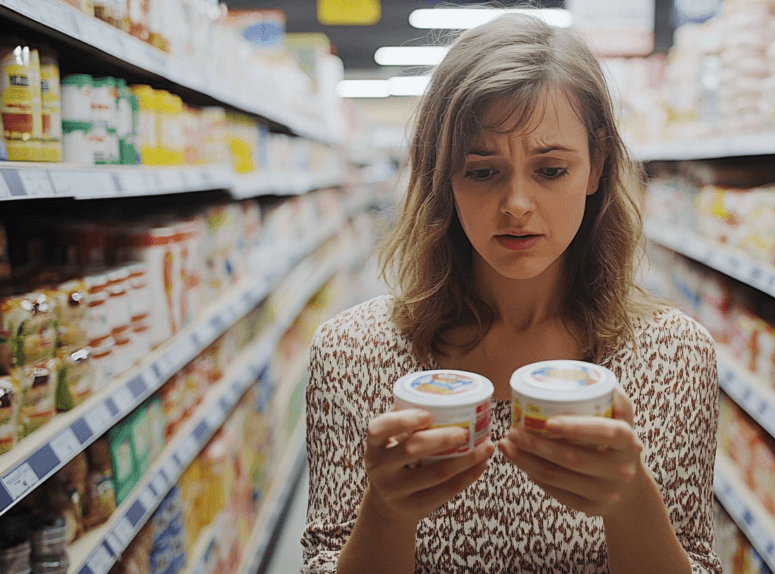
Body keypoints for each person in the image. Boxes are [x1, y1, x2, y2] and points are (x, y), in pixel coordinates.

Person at [301, 13, 722, 574]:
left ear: (596, 165)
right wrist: (386, 512)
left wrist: (629, 503)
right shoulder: (352, 356)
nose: (517, 203)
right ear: (442, 177)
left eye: (550, 170)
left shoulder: (674, 360)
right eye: (481, 172)